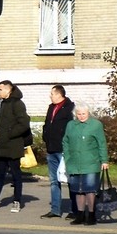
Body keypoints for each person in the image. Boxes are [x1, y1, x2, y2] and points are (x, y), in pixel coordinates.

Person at [63, 105, 109, 225]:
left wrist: (104, 160)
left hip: (91, 163)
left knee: (90, 189)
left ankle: (92, 215)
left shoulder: (96, 125)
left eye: (84, 114)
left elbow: (101, 143)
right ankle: (80, 215)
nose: (81, 116)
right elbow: (66, 141)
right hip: (74, 163)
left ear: (88, 113)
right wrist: (67, 158)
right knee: (78, 190)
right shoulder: (71, 125)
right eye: (79, 114)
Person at [0, 80, 30, 212]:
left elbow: (24, 123)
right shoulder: (0, 103)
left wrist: (10, 133)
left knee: (16, 175)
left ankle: (17, 201)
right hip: (1, 145)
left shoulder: (17, 104)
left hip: (13, 145)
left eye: (1, 89)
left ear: (8, 90)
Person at [40, 85, 76, 219]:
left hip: (63, 150)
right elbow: (47, 124)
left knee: (70, 180)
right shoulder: (51, 107)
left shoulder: (69, 108)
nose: (50, 96)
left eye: (52, 94)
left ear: (59, 94)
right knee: (54, 181)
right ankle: (55, 210)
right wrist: (45, 136)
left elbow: (71, 127)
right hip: (51, 148)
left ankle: (74, 209)